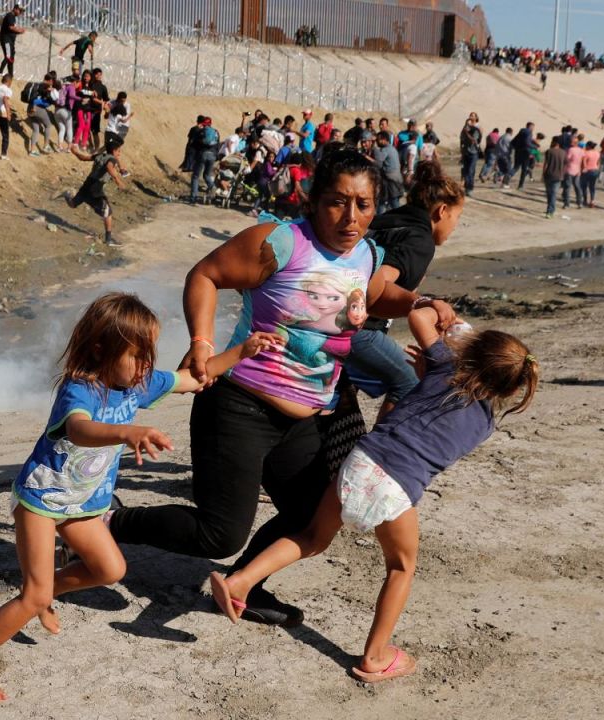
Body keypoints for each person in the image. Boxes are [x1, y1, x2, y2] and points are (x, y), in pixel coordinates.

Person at [107, 150, 452, 628]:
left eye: (364, 204)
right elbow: (205, 275)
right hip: (238, 404)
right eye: (337, 202)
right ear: (314, 200)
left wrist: (419, 299)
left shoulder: (367, 253)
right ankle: (111, 523)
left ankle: (245, 585)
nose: (351, 217)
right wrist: (202, 343)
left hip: (305, 415)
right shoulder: (281, 242)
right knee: (218, 534)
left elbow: (373, 297)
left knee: (313, 518)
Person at [0, 291, 284, 704]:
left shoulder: (137, 385)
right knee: (33, 594)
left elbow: (194, 378)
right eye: (136, 355)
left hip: (84, 504)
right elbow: (78, 430)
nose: (146, 366)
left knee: (109, 570)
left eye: (150, 355)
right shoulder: (81, 390)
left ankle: (44, 592)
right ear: (100, 350)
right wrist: (127, 432)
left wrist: (244, 350)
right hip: (42, 501)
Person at [211, 316, 537, 684]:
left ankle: (240, 582)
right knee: (400, 568)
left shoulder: (444, 365)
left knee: (312, 538)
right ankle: (375, 656)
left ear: (472, 352)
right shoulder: (484, 424)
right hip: (397, 486)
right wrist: (441, 362)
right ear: (511, 390)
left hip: (361, 460)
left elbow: (420, 318)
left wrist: (446, 323)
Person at [347, 161, 465, 418]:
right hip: (357, 328)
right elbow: (377, 282)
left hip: (328, 314)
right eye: (457, 217)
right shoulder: (420, 240)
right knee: (411, 380)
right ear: (442, 211)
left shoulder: (388, 220)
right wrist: (421, 302)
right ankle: (381, 451)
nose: (455, 226)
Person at [62, 133, 126, 246]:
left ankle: (66, 195)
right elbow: (109, 167)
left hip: (87, 184)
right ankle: (108, 240)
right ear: (114, 151)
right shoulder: (112, 159)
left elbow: (83, 157)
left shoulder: (99, 156)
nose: (119, 154)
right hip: (95, 189)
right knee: (107, 212)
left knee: (73, 204)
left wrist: (75, 151)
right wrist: (118, 180)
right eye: (119, 151)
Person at [189, 117, 220, 204]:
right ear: (211, 123)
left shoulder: (201, 131)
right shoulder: (216, 132)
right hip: (212, 156)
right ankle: (212, 186)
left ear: (203, 123)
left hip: (202, 155)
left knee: (195, 176)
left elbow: (194, 144)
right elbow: (218, 145)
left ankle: (193, 198)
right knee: (206, 175)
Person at [25, 76, 59, 155]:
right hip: (36, 108)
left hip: (29, 109)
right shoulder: (46, 91)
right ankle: (46, 146)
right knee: (48, 125)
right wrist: (34, 107)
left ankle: (32, 151)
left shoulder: (42, 88)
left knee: (36, 130)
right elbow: (36, 100)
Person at [374, 132, 402, 213]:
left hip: (390, 180)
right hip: (394, 179)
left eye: (378, 140)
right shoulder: (392, 148)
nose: (376, 141)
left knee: (393, 202)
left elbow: (378, 163)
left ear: (384, 140)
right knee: (384, 201)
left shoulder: (385, 149)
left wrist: (374, 149)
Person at [0, 4, 26, 75]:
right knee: (8, 56)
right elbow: (11, 27)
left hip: (10, 42)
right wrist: (19, 30)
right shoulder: (10, 15)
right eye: (20, 11)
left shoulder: (12, 17)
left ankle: (11, 75)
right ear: (15, 9)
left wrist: (19, 31)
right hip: (6, 41)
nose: (20, 13)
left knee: (11, 59)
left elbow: (12, 30)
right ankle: (0, 73)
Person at [541, 135, 565, 218]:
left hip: (549, 175)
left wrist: (543, 175)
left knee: (549, 193)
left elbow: (546, 164)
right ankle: (550, 210)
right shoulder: (563, 152)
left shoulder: (549, 151)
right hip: (558, 176)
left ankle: (550, 210)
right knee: (553, 194)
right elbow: (565, 164)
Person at [459, 113, 482, 195]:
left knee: (471, 171)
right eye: (470, 115)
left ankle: (470, 188)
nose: (471, 116)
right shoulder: (465, 128)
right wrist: (461, 150)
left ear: (476, 118)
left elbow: (473, 140)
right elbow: (461, 139)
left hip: (474, 152)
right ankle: (467, 187)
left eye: (472, 115)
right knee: (465, 171)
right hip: (465, 152)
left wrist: (467, 132)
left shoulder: (477, 128)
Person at [88, 69, 110, 149]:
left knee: (95, 131)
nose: (98, 76)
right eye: (97, 74)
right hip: (87, 110)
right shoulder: (90, 85)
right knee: (86, 129)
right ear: (93, 75)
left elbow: (106, 100)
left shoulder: (103, 87)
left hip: (97, 111)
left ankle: (96, 148)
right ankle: (90, 145)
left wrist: (106, 109)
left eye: (100, 74)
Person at [562, 136, 584, 208]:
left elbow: (567, 159)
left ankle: (567, 203)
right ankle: (579, 203)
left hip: (570, 169)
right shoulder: (581, 150)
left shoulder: (571, 149)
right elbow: (582, 160)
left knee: (568, 187)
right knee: (577, 187)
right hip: (577, 170)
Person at [579, 140, 600, 208]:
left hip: (587, 170)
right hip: (595, 170)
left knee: (584, 186)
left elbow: (583, 163)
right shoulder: (597, 153)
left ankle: (585, 200)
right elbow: (598, 162)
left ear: (588, 146)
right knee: (592, 187)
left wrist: (581, 170)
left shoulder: (586, 153)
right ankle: (592, 200)